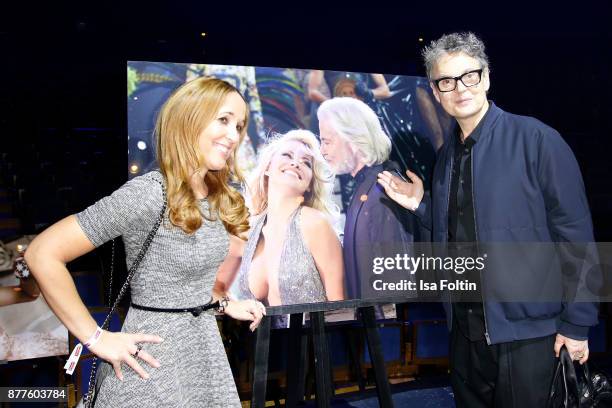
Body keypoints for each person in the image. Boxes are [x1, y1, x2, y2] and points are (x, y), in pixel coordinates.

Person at [377, 32, 599, 407]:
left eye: (469, 76)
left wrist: (577, 325)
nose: (460, 88)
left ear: (487, 77)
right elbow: (456, 234)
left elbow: (576, 236)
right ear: (435, 91)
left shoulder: (537, 140)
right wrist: (420, 206)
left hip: (528, 334)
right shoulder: (447, 156)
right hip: (465, 333)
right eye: (446, 81)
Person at [24, 77, 266, 407]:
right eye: (223, 120)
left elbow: (181, 280)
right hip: (152, 362)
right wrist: (97, 338)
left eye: (239, 125)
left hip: (204, 354)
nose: (234, 135)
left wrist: (225, 304)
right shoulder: (148, 194)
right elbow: (42, 253)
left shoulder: (216, 198)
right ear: (188, 119)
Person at [317, 97, 423, 300]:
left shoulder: (383, 190)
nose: (323, 150)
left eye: (327, 141)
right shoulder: (370, 187)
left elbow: (393, 281)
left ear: (353, 140)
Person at [232, 129, 344, 307]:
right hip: (259, 335)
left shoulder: (314, 223)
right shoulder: (250, 228)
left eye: (306, 163)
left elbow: (340, 306)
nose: (296, 163)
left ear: (309, 185)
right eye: (287, 155)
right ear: (268, 167)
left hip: (314, 334)